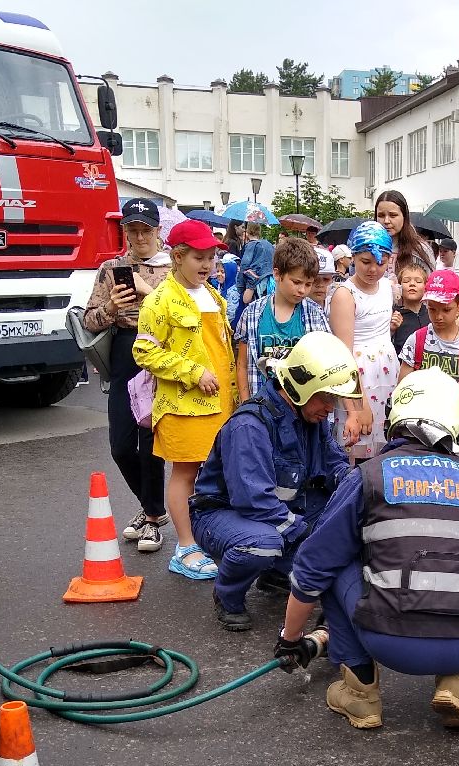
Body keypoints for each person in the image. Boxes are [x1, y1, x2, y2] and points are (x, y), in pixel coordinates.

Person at [276, 368, 459, 732]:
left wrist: (289, 640)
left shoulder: (370, 475)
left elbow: (312, 568)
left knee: (334, 563)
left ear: (395, 419)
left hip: (393, 641)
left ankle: (361, 694)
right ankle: (457, 680)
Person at [190, 331, 358, 630]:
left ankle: (276, 573)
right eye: (327, 397)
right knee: (264, 544)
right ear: (301, 387)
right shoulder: (249, 426)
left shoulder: (311, 416)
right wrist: (309, 535)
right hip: (227, 514)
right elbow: (254, 501)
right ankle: (227, 594)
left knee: (344, 530)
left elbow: (335, 467)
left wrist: (359, 492)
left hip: (282, 510)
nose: (331, 407)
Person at [133, 219, 233, 582]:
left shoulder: (213, 294)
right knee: (186, 473)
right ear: (177, 256)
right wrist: (192, 372)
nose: (207, 264)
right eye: (198, 257)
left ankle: (204, 541)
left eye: (211, 257)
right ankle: (185, 548)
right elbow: (144, 352)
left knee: (214, 475)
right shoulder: (160, 300)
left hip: (220, 404)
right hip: (183, 405)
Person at [83, 198, 173, 554]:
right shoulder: (111, 269)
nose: (139, 237)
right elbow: (89, 320)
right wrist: (111, 307)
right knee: (121, 444)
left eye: (145, 230)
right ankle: (152, 507)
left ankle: (151, 518)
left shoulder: (173, 268)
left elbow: (184, 315)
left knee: (151, 440)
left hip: (160, 352)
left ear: (158, 231)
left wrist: (147, 293)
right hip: (124, 348)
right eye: (132, 230)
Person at [328, 222, 398, 460]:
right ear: (353, 257)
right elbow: (343, 356)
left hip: (387, 375)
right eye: (366, 262)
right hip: (358, 381)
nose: (374, 270)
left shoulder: (388, 288)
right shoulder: (344, 295)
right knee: (356, 454)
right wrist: (358, 407)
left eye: (381, 263)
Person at [233, 236, 331, 403]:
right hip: (261, 406)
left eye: (308, 284)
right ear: (277, 274)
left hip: (301, 408)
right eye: (296, 282)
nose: (302, 290)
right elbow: (242, 364)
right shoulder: (252, 314)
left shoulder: (315, 315)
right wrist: (245, 404)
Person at [398, 268, 459, 410]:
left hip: (450, 421)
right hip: (416, 415)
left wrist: (433, 397)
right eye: (432, 309)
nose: (438, 316)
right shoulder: (416, 339)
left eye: (446, 310)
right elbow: (402, 386)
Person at [375, 190, 434, 279]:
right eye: (381, 215)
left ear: (404, 216)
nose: (386, 221)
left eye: (393, 215)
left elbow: (430, 285)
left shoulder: (420, 250)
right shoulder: (368, 247)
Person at [390, 261, 430, 351]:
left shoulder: (431, 314)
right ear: (399, 287)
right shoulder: (393, 315)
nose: (412, 284)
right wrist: (391, 330)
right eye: (406, 281)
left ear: (425, 287)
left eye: (418, 281)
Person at [236, 221, 274, 315]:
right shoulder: (269, 244)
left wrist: (240, 286)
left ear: (247, 232)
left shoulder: (251, 245)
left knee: (249, 304)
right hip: (271, 280)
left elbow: (244, 265)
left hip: (254, 280)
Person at [310, 246, 338, 312]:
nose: (320, 285)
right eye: (314, 280)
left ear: (332, 280)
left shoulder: (337, 306)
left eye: (326, 279)